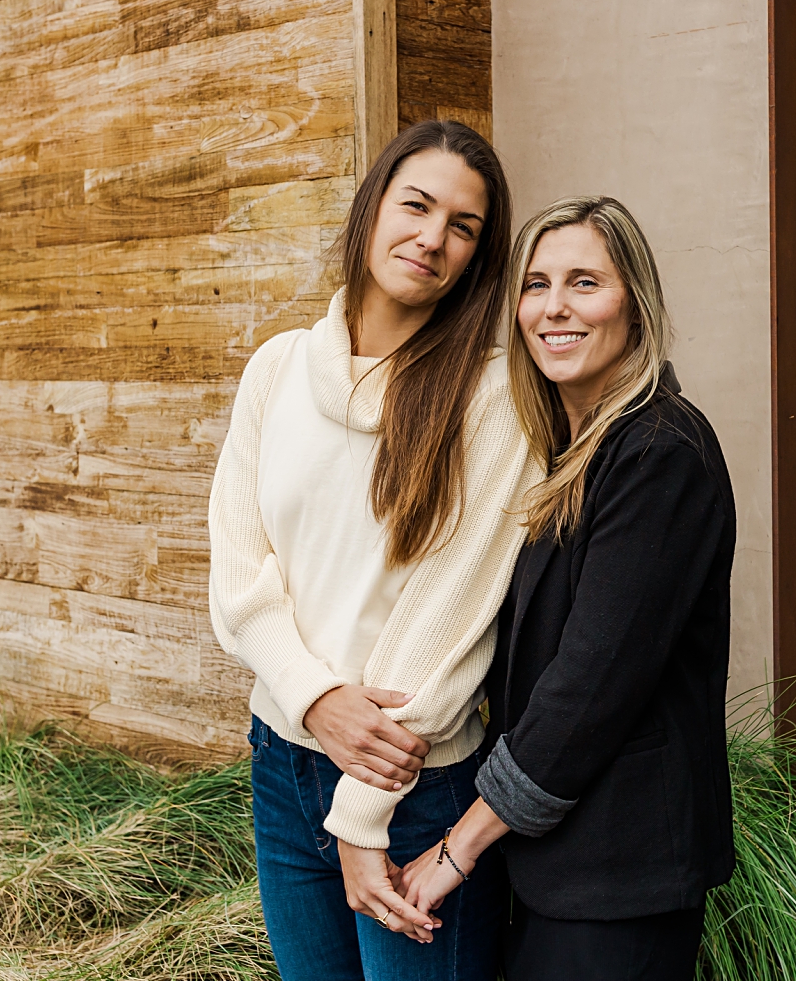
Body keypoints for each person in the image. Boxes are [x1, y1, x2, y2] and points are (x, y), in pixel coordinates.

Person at [207, 120, 541, 980]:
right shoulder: (276, 370)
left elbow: (451, 620)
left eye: (463, 227)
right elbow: (239, 582)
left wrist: (362, 818)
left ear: (477, 256)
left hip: (416, 786)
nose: (433, 238)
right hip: (282, 763)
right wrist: (315, 698)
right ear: (371, 209)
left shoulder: (493, 396)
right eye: (417, 205)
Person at [398, 196, 737, 981]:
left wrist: (459, 848)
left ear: (635, 305)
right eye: (536, 284)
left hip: (623, 874)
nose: (553, 307)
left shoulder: (661, 450)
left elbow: (591, 685)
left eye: (584, 282)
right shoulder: (564, 450)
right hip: (557, 866)